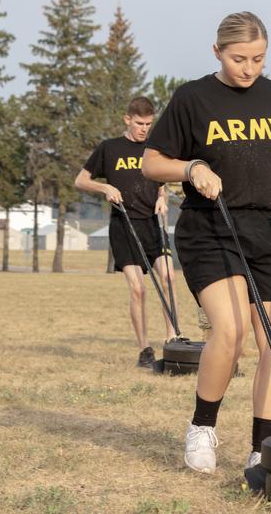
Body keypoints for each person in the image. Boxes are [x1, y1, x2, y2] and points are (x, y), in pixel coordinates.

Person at [141, 12, 271, 475]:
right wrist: (190, 169)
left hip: (266, 230)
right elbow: (152, 162)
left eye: (258, 58)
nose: (249, 68)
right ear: (217, 52)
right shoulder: (193, 98)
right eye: (238, 59)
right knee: (230, 332)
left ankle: (262, 449)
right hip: (209, 229)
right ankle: (202, 426)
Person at [74, 96, 176, 367]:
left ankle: (172, 339)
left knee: (168, 278)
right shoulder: (109, 148)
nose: (144, 129)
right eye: (140, 123)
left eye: (149, 124)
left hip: (152, 224)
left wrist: (162, 197)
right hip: (124, 225)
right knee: (138, 290)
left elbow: (160, 177)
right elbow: (81, 180)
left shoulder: (154, 149)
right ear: (127, 119)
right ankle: (144, 349)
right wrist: (104, 187)